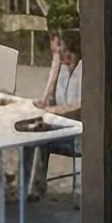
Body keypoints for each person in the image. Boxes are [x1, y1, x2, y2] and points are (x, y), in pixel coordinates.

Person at [24, 30, 83, 200]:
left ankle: (78, 190)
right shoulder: (63, 68)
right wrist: (46, 99)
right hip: (62, 127)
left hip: (80, 132)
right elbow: (53, 98)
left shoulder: (86, 71)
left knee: (40, 135)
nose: (59, 55)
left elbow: (81, 105)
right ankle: (29, 186)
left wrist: (53, 111)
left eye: (61, 50)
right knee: (30, 133)